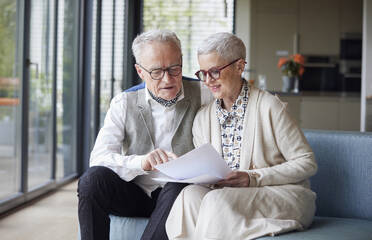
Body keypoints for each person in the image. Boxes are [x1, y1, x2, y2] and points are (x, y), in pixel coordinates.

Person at [165, 32, 318, 240]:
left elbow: (307, 163)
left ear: (239, 66)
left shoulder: (270, 107)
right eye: (203, 73)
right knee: (188, 196)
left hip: (280, 194)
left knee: (215, 201)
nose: (208, 81)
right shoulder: (202, 118)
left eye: (215, 71)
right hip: (228, 197)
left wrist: (252, 178)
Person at [78, 29, 212, 240]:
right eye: (156, 72)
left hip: (179, 196)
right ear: (140, 72)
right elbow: (99, 159)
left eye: (174, 68)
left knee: (180, 186)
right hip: (135, 192)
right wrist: (141, 162)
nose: (167, 79)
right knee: (92, 181)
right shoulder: (123, 102)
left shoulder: (205, 94)